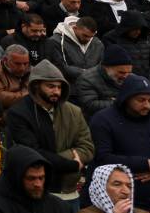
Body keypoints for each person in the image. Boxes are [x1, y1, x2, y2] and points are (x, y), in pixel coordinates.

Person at [5, 62, 94, 195]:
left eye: (59, 87)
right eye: (51, 86)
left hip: (69, 188)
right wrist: (72, 164)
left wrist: (55, 159)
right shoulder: (19, 113)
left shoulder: (73, 111)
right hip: (37, 189)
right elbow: (32, 153)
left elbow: (88, 148)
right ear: (36, 85)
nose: (56, 92)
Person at [89, 74, 150, 211]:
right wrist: (147, 164)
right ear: (126, 98)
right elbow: (103, 158)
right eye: (141, 100)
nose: (147, 105)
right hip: (117, 202)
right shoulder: (103, 120)